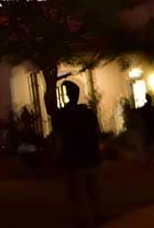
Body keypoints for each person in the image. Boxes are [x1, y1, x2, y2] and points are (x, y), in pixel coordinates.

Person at [53, 81, 102, 228]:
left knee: (75, 193)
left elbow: (58, 138)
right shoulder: (88, 113)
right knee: (92, 190)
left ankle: (81, 220)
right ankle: (98, 216)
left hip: (73, 158)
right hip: (90, 157)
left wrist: (57, 157)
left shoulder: (62, 115)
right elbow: (97, 134)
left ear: (67, 95)